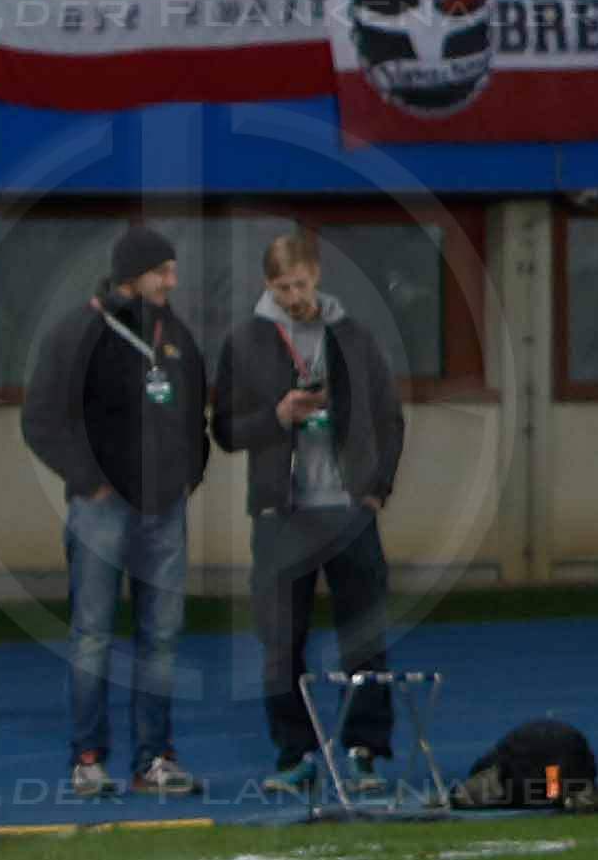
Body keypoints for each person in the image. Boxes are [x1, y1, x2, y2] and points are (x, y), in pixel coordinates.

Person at [23, 221, 211, 798]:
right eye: (163, 271)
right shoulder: (80, 331)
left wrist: (188, 473)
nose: (172, 281)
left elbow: (193, 409)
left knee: (161, 636)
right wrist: (89, 480)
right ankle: (88, 757)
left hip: (164, 507)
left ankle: (155, 758)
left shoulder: (173, 333)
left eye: (173, 270)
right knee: (93, 637)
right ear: (133, 274)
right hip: (102, 509)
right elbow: (40, 420)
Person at [220, 226, 407, 792]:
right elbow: (225, 430)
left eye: (299, 284)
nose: (293, 296)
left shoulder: (353, 336)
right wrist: (277, 415)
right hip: (283, 515)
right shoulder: (247, 341)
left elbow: (389, 417)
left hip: (349, 511)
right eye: (281, 288)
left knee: (364, 636)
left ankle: (363, 748)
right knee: (281, 641)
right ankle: (295, 753)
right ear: (266, 285)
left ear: (316, 275)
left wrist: (375, 489)